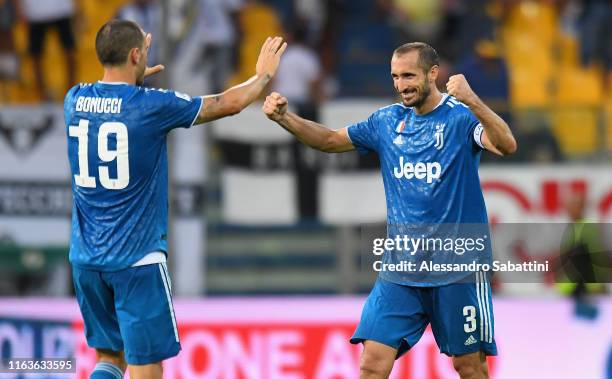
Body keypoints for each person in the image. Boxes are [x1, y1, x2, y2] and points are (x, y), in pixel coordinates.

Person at [263, 42, 517, 379]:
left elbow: (506, 145)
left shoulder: (459, 117)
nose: (401, 85)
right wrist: (285, 118)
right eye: (395, 77)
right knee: (372, 363)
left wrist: (473, 101)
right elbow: (328, 140)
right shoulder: (387, 121)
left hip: (458, 267)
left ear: (433, 74)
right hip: (402, 268)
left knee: (469, 367)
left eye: (409, 76)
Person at [65, 20, 285, 379]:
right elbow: (227, 104)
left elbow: (112, 101)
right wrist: (261, 76)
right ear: (136, 55)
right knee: (146, 362)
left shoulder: (73, 99)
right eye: (143, 53)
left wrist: (133, 75)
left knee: (109, 358)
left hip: (87, 258)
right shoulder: (153, 105)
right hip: (136, 259)